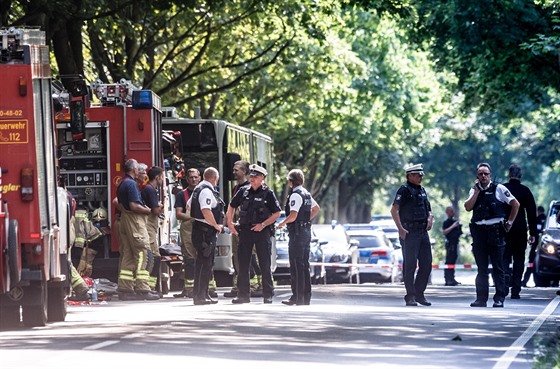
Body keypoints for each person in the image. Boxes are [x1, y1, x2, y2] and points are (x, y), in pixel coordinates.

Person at [464, 162, 519, 308]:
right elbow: (468, 207)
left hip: (496, 233)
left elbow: (515, 204)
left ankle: (499, 298)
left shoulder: (499, 188)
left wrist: (510, 222)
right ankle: (481, 299)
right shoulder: (474, 190)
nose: (483, 176)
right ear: (477, 176)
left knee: (497, 267)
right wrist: (476, 192)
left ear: (490, 175)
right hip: (479, 233)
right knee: (481, 268)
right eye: (480, 174)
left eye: (486, 174)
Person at [226, 164, 281, 304]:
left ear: (262, 178)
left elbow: (277, 213)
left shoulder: (268, 193)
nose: (252, 179)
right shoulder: (243, 191)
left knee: (264, 263)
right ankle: (243, 294)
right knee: (243, 264)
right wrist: (230, 223)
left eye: (255, 177)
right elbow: (231, 206)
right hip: (245, 231)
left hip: (262, 232)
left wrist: (263, 224)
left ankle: (268, 293)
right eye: (251, 176)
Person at [390, 163, 434, 307]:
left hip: (422, 232)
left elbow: (429, 209)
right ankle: (410, 295)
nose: (421, 177)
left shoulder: (422, 190)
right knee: (410, 265)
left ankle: (420, 293)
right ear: (410, 176)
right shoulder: (404, 190)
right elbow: (394, 210)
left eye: (421, 175)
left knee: (427, 264)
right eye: (418, 175)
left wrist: (430, 219)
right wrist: (400, 228)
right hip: (409, 232)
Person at [116, 158, 159, 301]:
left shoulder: (122, 183)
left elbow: (117, 202)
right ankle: (143, 288)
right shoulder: (131, 184)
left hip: (125, 221)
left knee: (128, 254)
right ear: (134, 170)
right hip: (135, 222)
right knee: (143, 254)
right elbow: (134, 206)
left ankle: (125, 288)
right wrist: (147, 210)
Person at [277, 169, 320, 306]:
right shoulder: (306, 194)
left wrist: (282, 223)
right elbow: (316, 208)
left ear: (291, 181)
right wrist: (306, 220)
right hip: (306, 231)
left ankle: (297, 296)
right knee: (304, 265)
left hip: (297, 234)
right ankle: (305, 297)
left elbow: (293, 215)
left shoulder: (296, 195)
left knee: (296, 265)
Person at [188, 167, 225, 305]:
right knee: (204, 265)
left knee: (206, 264)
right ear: (215, 178)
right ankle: (199, 296)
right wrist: (215, 225)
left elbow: (189, 206)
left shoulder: (197, 189)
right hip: (205, 232)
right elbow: (205, 210)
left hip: (201, 229)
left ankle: (204, 294)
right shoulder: (206, 191)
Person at [502, 164, 537, 299]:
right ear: (520, 176)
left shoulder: (503, 189)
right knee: (519, 259)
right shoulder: (525, 191)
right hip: (521, 228)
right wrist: (533, 233)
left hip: (505, 227)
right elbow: (531, 213)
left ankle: (504, 283)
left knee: (504, 257)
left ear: (509, 174)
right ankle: (516, 289)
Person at [173, 168, 201, 298]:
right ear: (187, 179)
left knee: (204, 257)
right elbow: (178, 214)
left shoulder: (205, 192)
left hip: (202, 228)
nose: (193, 179)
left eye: (196, 177)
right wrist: (193, 216)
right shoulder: (181, 195)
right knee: (189, 259)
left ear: (200, 178)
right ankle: (189, 288)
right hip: (188, 229)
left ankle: (206, 287)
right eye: (191, 177)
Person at [224, 160, 250, 298]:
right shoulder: (236, 188)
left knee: (249, 256)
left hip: (247, 228)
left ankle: (252, 285)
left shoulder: (250, 187)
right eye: (233, 169)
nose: (234, 172)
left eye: (237, 170)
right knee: (236, 256)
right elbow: (231, 206)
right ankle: (237, 286)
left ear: (244, 172)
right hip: (236, 227)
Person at [141, 166, 165, 294]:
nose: (163, 179)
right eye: (162, 177)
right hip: (149, 226)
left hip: (150, 227)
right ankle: (150, 286)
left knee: (153, 256)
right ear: (157, 177)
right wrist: (160, 206)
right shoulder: (150, 190)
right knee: (154, 256)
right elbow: (155, 211)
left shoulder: (149, 189)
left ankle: (151, 286)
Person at [522, 205, 546, 287]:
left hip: (535, 246)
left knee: (531, 264)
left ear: (538, 211)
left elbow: (531, 230)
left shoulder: (536, 220)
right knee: (537, 264)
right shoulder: (546, 221)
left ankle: (525, 281)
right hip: (544, 248)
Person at [442, 206, 462, 286]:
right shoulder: (446, 222)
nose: (452, 213)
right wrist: (453, 226)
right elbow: (444, 232)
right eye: (451, 211)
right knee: (449, 261)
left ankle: (452, 278)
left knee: (453, 261)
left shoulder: (455, 221)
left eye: (453, 211)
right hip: (450, 244)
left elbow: (459, 232)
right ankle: (448, 279)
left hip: (455, 243)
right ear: (447, 212)